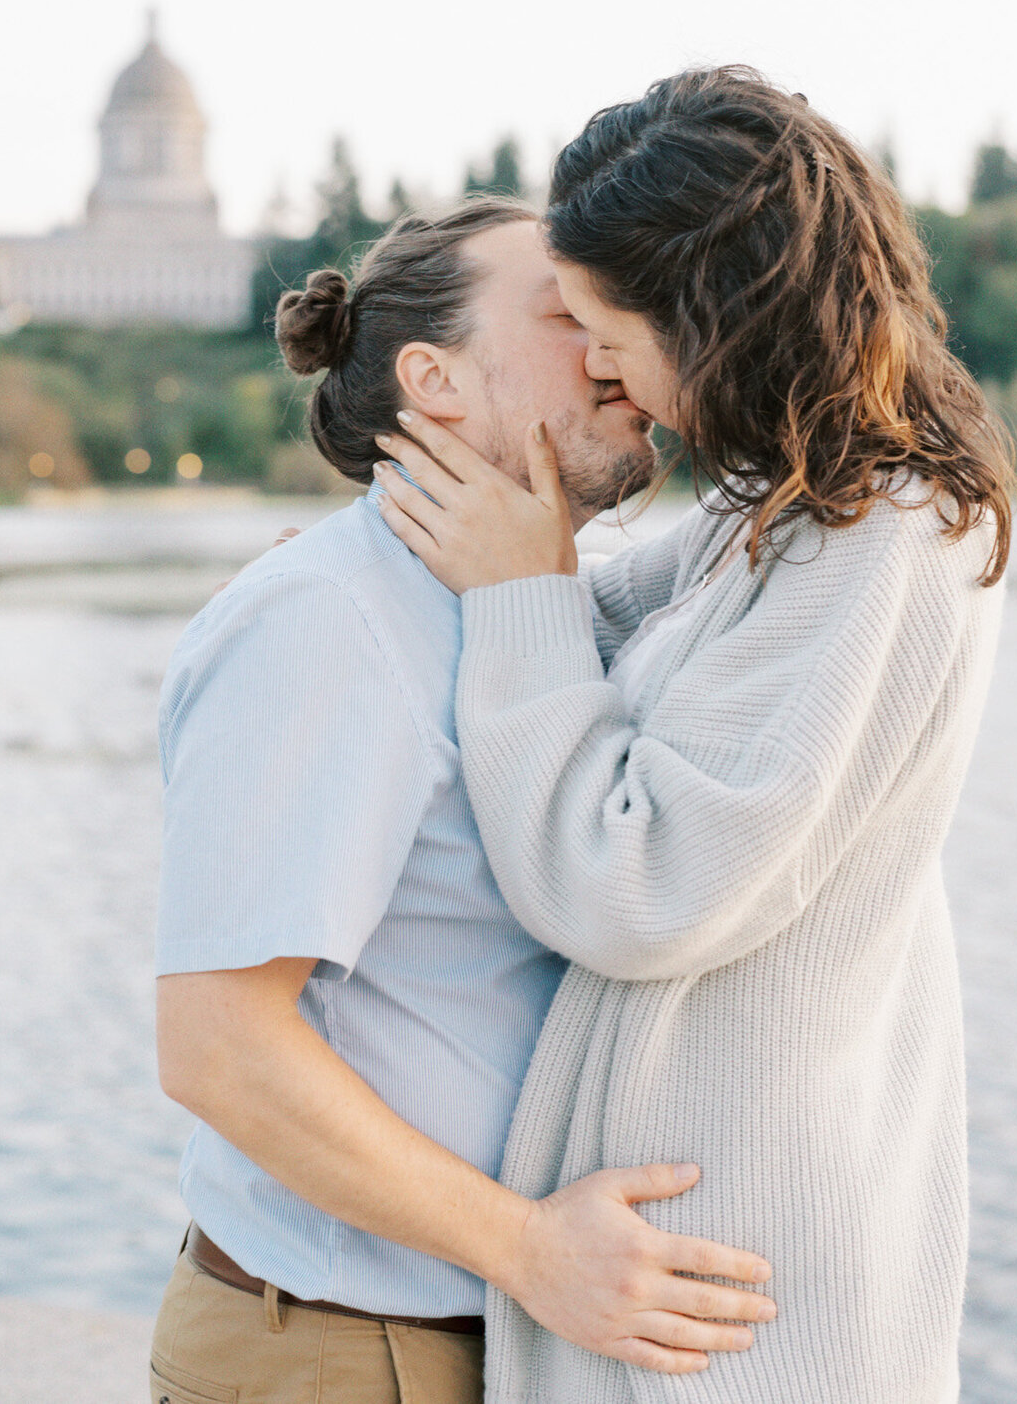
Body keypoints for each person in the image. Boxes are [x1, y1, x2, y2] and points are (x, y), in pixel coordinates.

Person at [374, 68, 1014, 1404]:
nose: (597, 361)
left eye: (608, 325)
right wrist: (370, 588)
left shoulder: (879, 534)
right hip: (689, 1269)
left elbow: (640, 883)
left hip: (742, 1303)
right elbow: (592, 624)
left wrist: (516, 593)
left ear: (710, 316)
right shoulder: (775, 508)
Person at [151, 197, 775, 1404]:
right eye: (565, 314)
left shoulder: (516, 606)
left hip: (485, 1335)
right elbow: (219, 1046)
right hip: (345, 1350)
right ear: (432, 379)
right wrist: (530, 1249)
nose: (611, 347)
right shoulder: (326, 620)